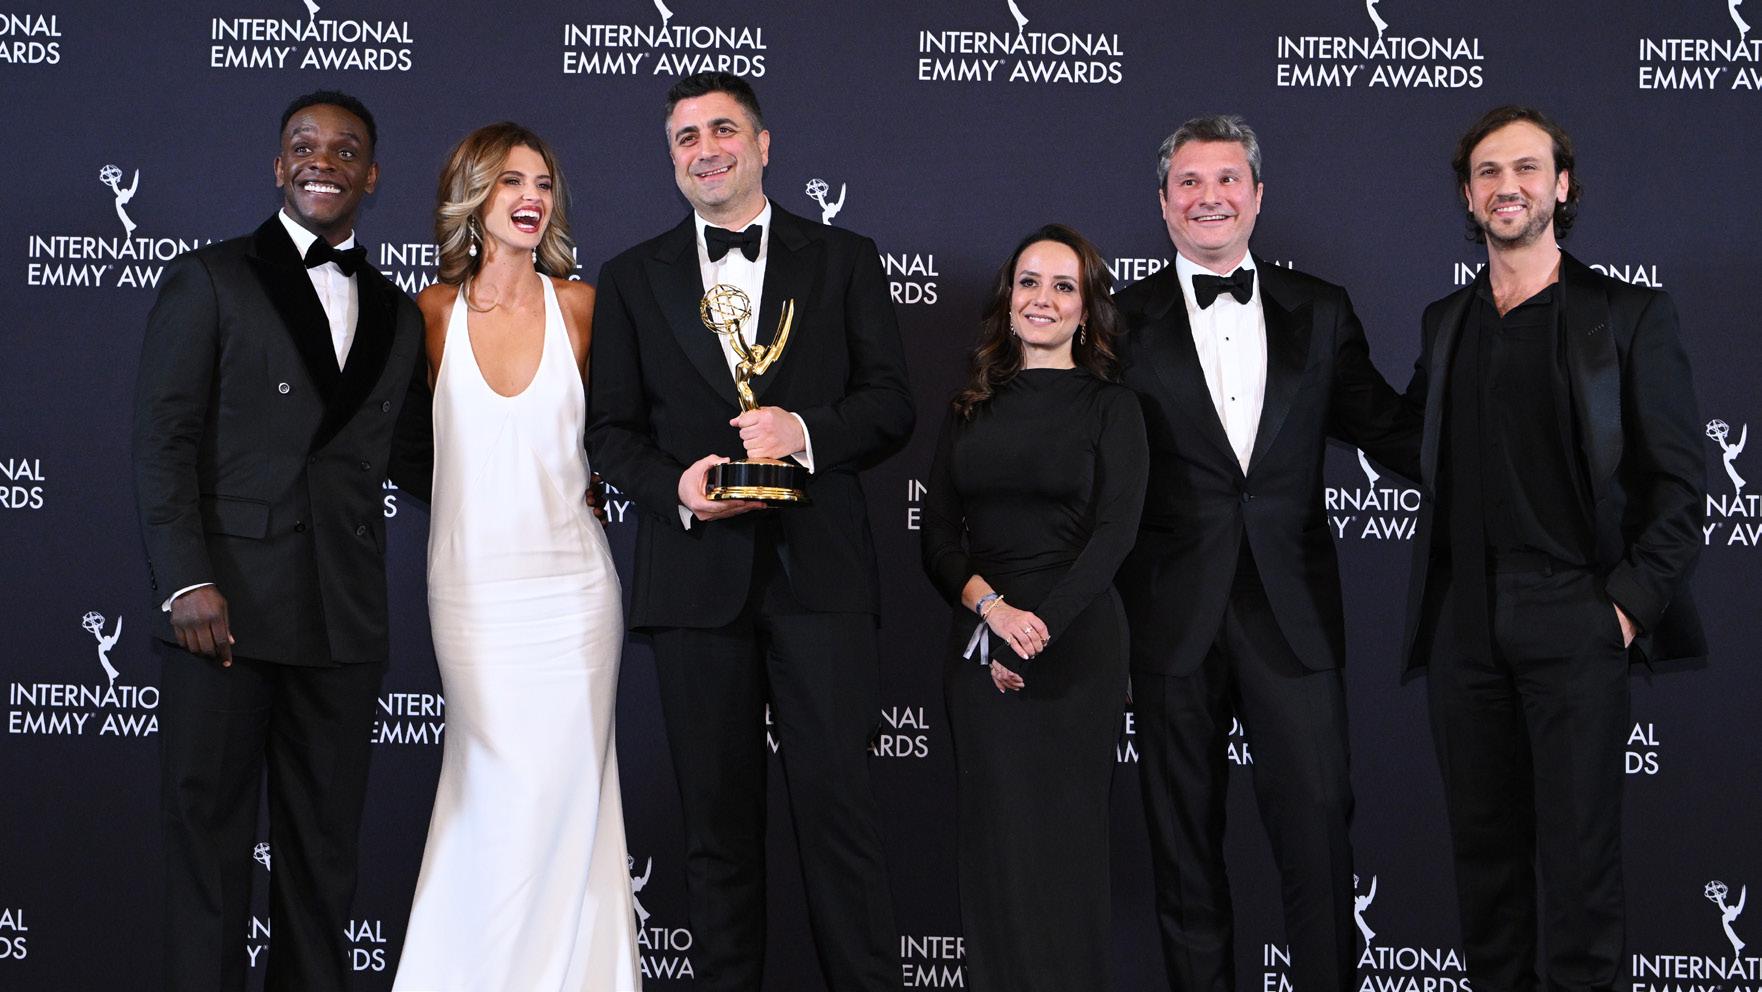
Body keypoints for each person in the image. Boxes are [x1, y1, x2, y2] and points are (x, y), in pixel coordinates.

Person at [585, 72, 913, 992]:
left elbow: (891, 404)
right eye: (686, 137)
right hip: (696, 581)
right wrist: (677, 488)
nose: (706, 150)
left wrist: (802, 431)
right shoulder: (632, 276)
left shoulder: (844, 258)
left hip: (823, 582)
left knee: (842, 823)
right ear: (671, 159)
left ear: (763, 145)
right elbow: (610, 432)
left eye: (723, 130)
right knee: (716, 835)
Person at [131, 90, 431, 992]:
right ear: (277, 165)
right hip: (224, 612)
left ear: (371, 176)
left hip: (342, 619)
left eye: (345, 151)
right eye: (304, 146)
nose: (322, 162)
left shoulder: (398, 313)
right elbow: (163, 442)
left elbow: (422, 460)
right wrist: (185, 582)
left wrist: (558, 487)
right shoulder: (210, 279)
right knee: (210, 850)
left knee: (323, 861)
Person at [1400, 105, 1704, 992]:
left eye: (1527, 168)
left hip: (1575, 613)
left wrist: (1624, 610)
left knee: (1579, 874)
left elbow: (1680, 485)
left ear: (1561, 187)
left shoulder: (1628, 316)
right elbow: (1406, 436)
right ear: (1468, 196)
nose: (1509, 187)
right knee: (1485, 875)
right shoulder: (1444, 321)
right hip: (1465, 626)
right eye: (1489, 172)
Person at [1112, 114, 1419, 992]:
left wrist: (1490, 398)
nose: (1209, 198)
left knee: (1319, 842)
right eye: (1189, 183)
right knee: (1183, 855)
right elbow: (1082, 467)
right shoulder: (1115, 320)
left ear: (1257, 196)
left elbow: (1391, 429)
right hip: (1169, 619)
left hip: (1293, 614)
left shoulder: (1320, 309)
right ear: (1163, 204)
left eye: (1227, 180)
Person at [390, 122, 640, 991]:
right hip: (471, 594)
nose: (531, 198)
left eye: (541, 183)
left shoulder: (583, 307)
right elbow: (399, 450)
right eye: (509, 182)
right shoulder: (428, 314)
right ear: (473, 195)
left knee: (569, 800)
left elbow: (622, 431)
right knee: (490, 798)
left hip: (574, 596)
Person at [920, 224, 1147, 992]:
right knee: (994, 853)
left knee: (1066, 854)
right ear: (1007, 299)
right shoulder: (970, 406)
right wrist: (993, 615)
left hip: (1076, 647)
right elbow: (937, 538)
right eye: (1028, 282)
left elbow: (1115, 537)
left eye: (1062, 286)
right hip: (981, 646)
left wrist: (1035, 631)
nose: (1042, 299)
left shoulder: (1113, 408)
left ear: (1086, 309)